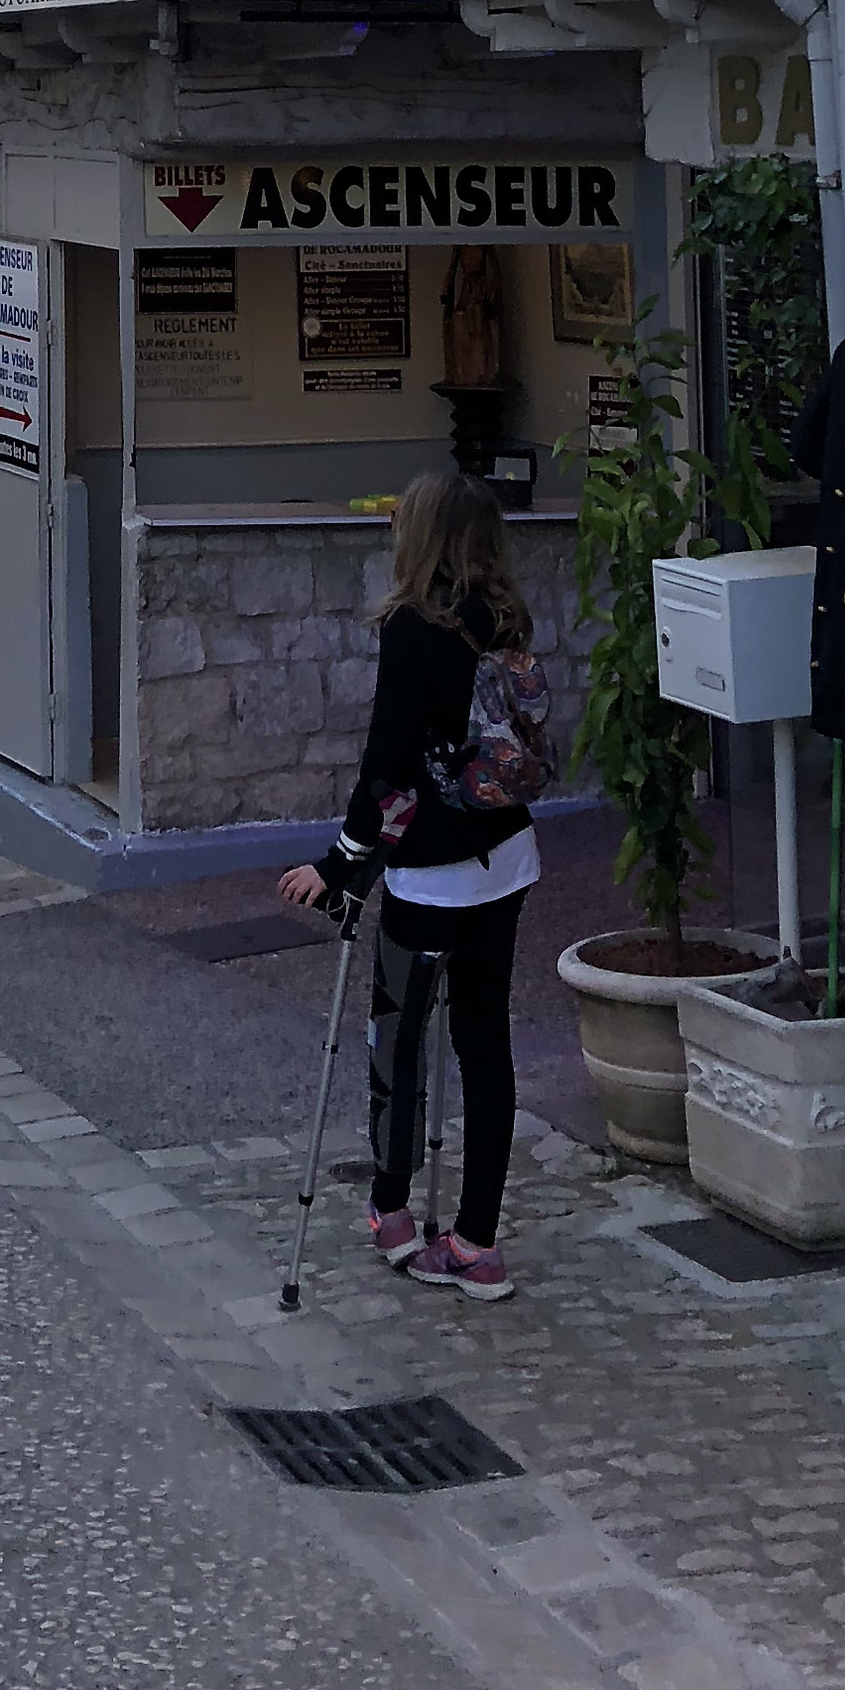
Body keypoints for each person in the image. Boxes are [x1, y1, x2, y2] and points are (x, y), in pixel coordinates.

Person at [278, 465, 539, 1301]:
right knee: (486, 1047)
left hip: (432, 872)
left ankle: (391, 1213)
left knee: (398, 1040)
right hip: (508, 855)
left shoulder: (410, 627)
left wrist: (338, 864)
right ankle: (476, 1245)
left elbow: (387, 767)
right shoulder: (507, 618)